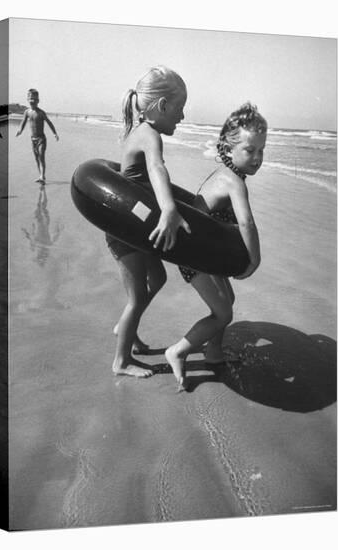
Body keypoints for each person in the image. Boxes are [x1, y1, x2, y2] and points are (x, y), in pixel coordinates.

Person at [165, 102, 267, 391]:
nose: (258, 157)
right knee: (223, 313)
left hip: (206, 253)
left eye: (262, 150)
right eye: (250, 150)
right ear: (227, 147)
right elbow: (247, 224)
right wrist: (253, 260)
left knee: (227, 301)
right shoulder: (234, 181)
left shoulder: (225, 174)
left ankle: (213, 352)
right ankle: (178, 350)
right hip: (194, 255)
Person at [108, 66, 191, 378]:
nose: (182, 118)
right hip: (123, 230)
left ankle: (126, 330)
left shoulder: (139, 131)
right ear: (163, 106)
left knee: (157, 279)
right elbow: (156, 168)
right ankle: (121, 361)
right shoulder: (149, 135)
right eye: (180, 109)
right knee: (138, 296)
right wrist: (169, 209)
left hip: (136, 227)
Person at [16, 89, 59, 183]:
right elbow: (23, 123)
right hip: (33, 140)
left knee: (41, 156)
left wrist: (54, 133)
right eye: (31, 98)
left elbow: (49, 122)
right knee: (36, 158)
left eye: (35, 99)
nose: (33, 101)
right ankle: (40, 176)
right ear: (27, 99)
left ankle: (42, 176)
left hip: (41, 139)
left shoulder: (41, 113)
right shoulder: (27, 112)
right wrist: (20, 131)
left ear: (38, 100)